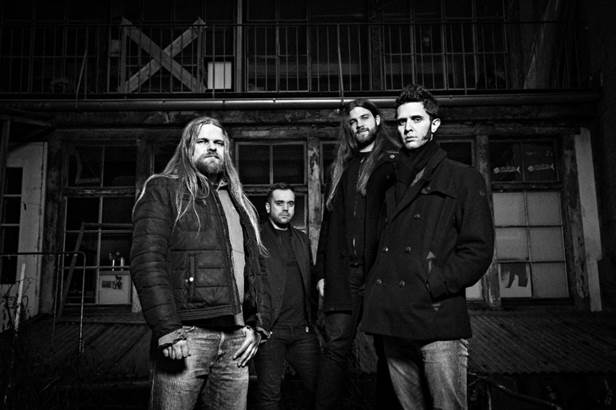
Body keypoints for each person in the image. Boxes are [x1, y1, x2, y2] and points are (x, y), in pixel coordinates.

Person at [361, 84, 495, 410]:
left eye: (416, 119)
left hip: (437, 318)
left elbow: (478, 249)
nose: (407, 127)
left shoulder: (463, 178)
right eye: (401, 121)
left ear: (434, 124)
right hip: (392, 318)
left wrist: (434, 284)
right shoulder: (388, 179)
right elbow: (373, 242)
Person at [130, 116, 272, 410]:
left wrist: (258, 327)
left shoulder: (238, 201)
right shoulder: (163, 189)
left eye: (219, 143)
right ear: (187, 147)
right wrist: (168, 330)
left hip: (237, 339)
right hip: (186, 335)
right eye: (203, 141)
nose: (212, 147)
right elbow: (147, 261)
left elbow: (256, 269)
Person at [314, 98, 400, 409]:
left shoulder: (392, 164)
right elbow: (327, 225)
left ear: (377, 121)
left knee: (388, 348)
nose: (358, 124)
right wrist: (321, 272)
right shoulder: (341, 168)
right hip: (343, 273)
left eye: (364, 117)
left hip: (381, 271)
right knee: (336, 346)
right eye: (352, 121)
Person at [253, 183, 320, 410]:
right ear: (268, 207)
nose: (285, 208)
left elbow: (309, 280)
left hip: (303, 331)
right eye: (279, 203)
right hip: (271, 332)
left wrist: (312, 321)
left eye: (290, 203)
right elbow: (250, 284)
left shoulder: (302, 239)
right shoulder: (256, 238)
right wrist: (258, 324)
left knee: (321, 391)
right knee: (269, 397)